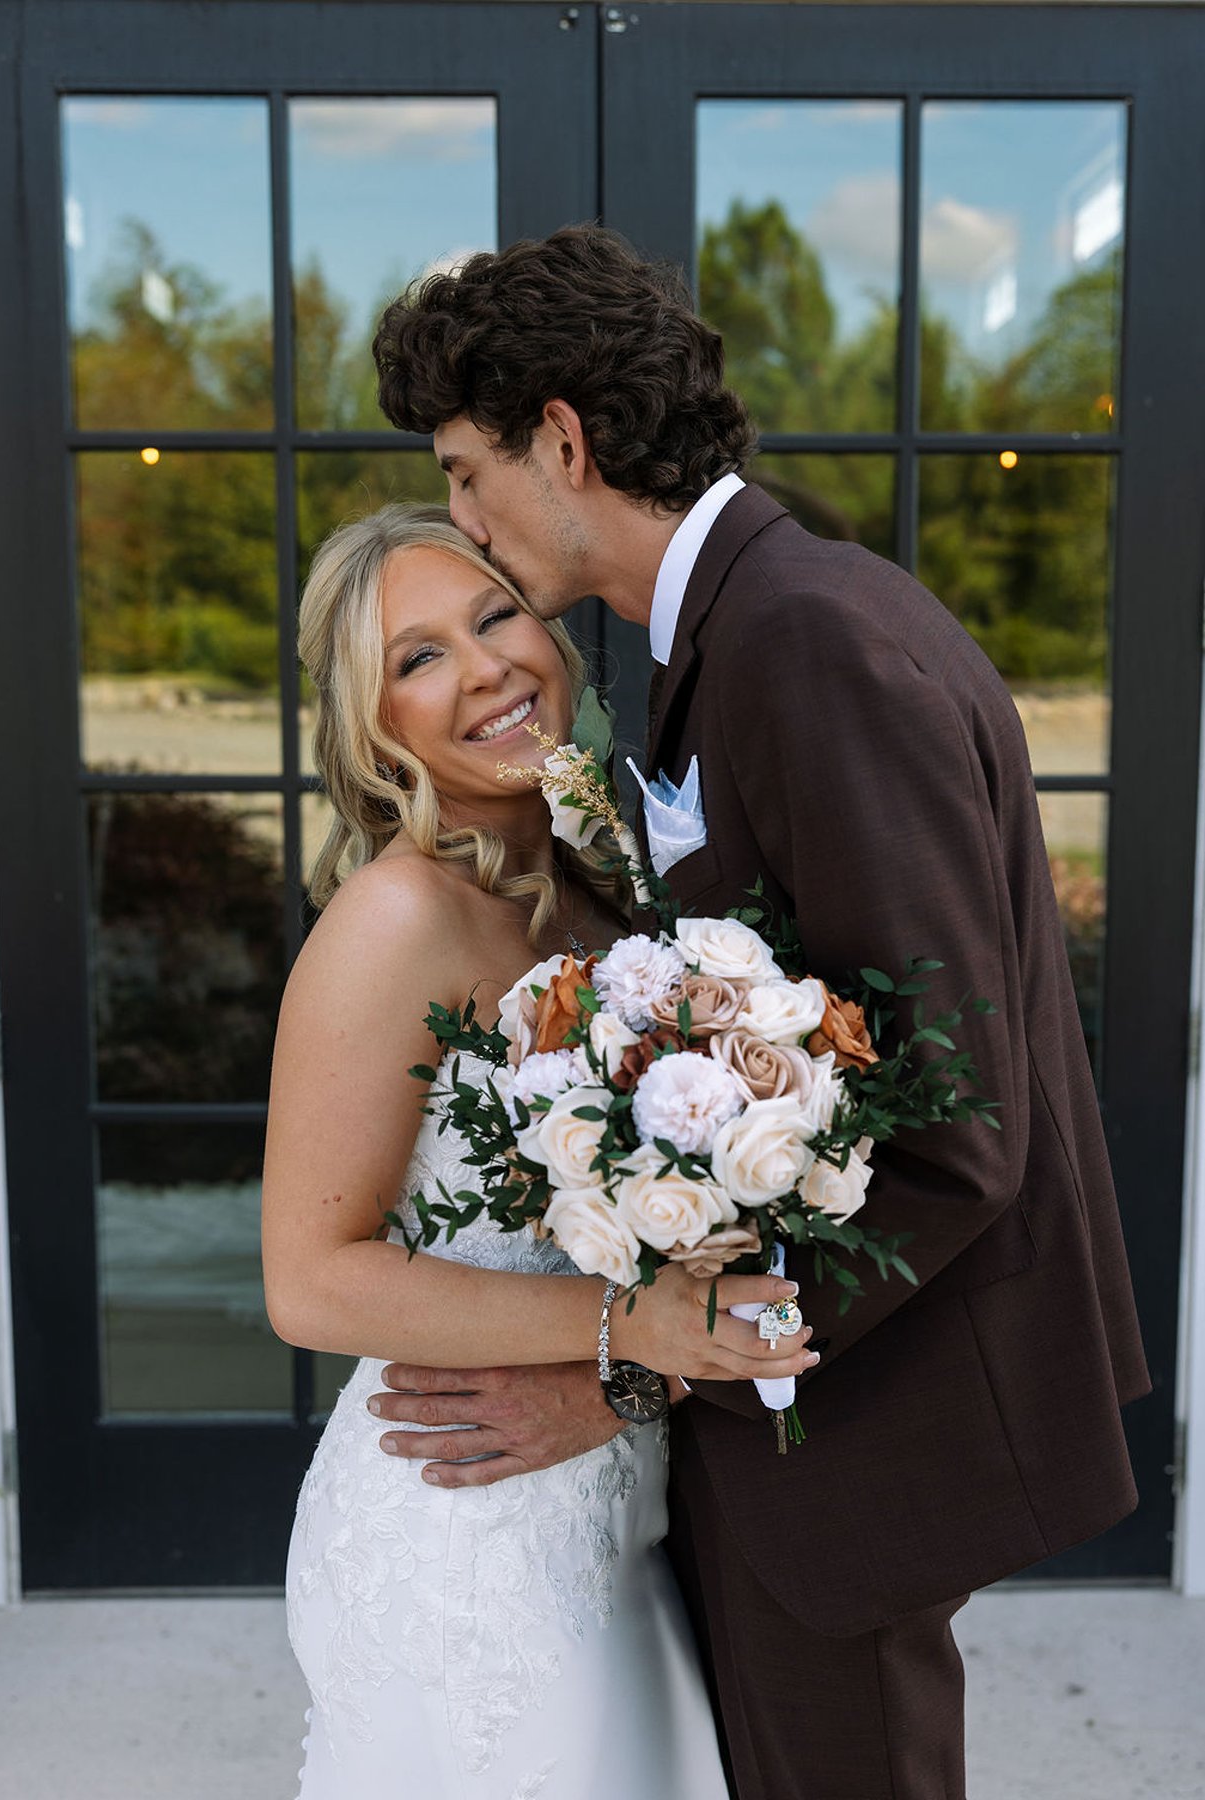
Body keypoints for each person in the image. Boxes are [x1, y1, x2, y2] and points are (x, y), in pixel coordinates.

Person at [366, 225, 1151, 1800]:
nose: (465, 520)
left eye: (464, 472)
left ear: (562, 441)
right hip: (801, 1415)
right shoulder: (745, 627)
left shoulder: (803, 640)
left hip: (860, 1422)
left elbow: (950, 1130)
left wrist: (642, 1369)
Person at [262, 501, 815, 1800]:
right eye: (419, 657)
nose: (485, 668)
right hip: (469, 1539)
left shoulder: (603, 889)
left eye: (494, 615)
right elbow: (311, 1282)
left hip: (614, 1501)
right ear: (371, 728)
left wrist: (647, 1364)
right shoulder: (396, 915)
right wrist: (636, 1331)